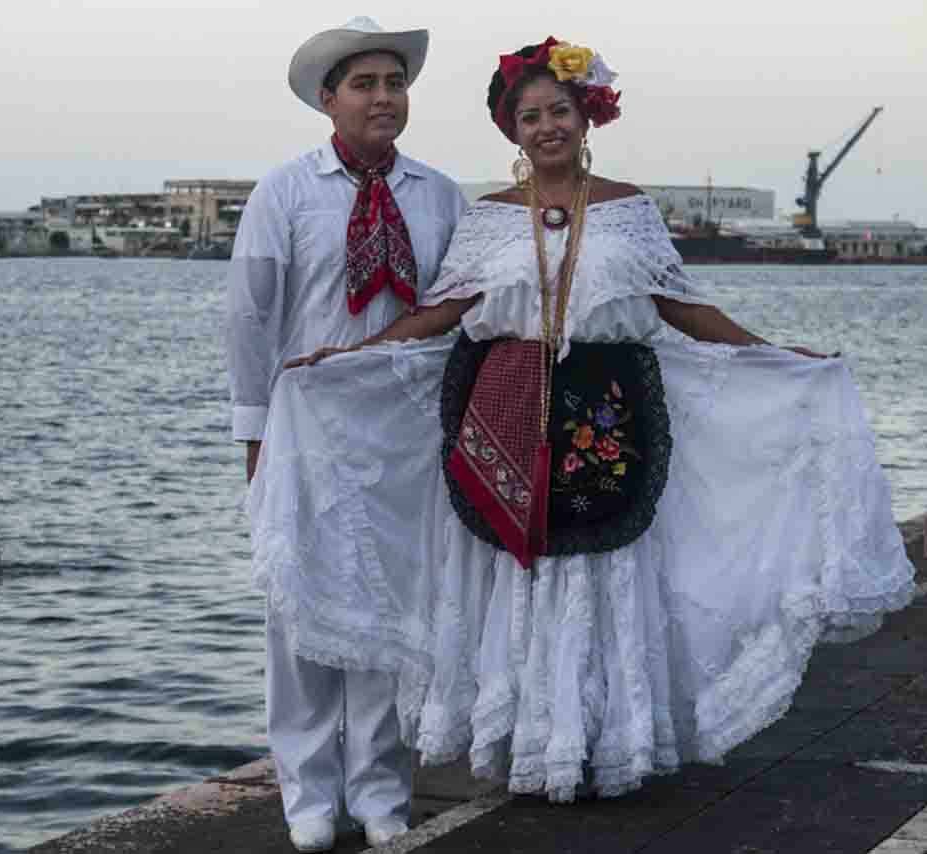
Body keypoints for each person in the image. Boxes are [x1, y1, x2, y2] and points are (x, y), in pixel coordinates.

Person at [275, 36, 916, 803]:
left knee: (601, 571)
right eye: (529, 115)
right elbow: (444, 310)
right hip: (505, 407)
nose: (545, 127)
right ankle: (530, 747)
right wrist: (354, 360)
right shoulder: (486, 219)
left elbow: (681, 305)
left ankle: (606, 738)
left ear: (587, 117)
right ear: (511, 129)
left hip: (609, 413)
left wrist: (772, 352)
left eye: (559, 111)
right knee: (522, 575)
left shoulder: (631, 210)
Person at [226, 16, 467, 851]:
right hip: (307, 433)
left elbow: (457, 315)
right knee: (299, 615)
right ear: (328, 101)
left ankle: (378, 792)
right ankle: (307, 797)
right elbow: (251, 322)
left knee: (390, 621)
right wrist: (253, 438)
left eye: (394, 83)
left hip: (406, 437)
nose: (384, 99)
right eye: (364, 85)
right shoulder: (284, 192)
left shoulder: (439, 196)